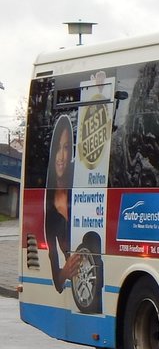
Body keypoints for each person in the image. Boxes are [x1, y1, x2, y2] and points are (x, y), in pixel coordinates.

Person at [45, 115, 82, 291]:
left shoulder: (80, 181)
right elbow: (57, 283)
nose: (61, 157)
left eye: (66, 148)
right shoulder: (50, 213)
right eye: (58, 149)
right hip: (81, 285)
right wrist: (65, 272)